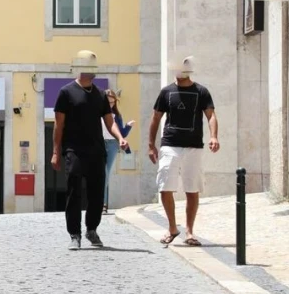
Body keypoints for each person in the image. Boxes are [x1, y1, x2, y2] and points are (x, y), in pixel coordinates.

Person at [52, 51, 130, 249]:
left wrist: (120, 137)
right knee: (74, 191)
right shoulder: (66, 92)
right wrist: (55, 152)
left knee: (96, 192)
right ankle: (74, 234)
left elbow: (109, 122)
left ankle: (92, 230)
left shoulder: (100, 94)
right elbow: (58, 125)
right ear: (79, 70)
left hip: (96, 150)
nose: (92, 73)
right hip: (73, 150)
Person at [147, 56, 219, 247]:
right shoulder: (166, 92)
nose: (177, 73)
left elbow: (211, 115)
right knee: (165, 187)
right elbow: (155, 118)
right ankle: (172, 228)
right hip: (170, 144)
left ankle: (189, 231)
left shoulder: (201, 91)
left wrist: (213, 136)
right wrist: (151, 144)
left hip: (193, 147)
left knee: (192, 189)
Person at [102, 88, 134, 213]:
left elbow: (122, 134)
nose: (110, 104)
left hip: (112, 144)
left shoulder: (116, 116)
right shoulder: (97, 113)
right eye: (108, 102)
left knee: (105, 173)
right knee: (101, 173)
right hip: (99, 143)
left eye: (112, 102)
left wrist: (128, 126)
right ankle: (100, 202)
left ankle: (102, 204)